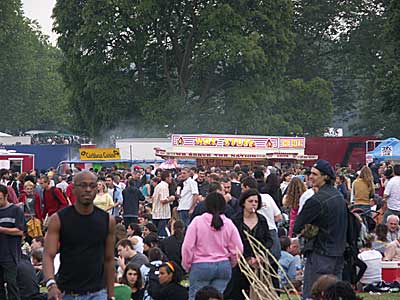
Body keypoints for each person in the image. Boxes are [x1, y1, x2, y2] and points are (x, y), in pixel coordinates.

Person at [43, 171, 116, 300]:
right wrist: (51, 283)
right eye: (83, 185)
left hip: (98, 293)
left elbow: (109, 259)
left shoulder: (107, 220)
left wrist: (111, 295)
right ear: (74, 189)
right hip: (68, 292)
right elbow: (48, 255)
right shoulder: (59, 219)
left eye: (92, 186)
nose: (88, 189)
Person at [293, 160, 348, 300]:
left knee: (314, 294)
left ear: (325, 176)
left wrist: (310, 229)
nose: (310, 176)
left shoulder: (316, 200)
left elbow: (297, 226)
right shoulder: (339, 196)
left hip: (321, 254)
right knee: (334, 296)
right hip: (338, 253)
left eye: (314, 174)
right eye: (310, 173)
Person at [182, 192, 243, 300]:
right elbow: (238, 248)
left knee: (196, 296)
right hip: (223, 265)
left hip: (200, 265)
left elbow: (187, 246)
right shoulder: (228, 223)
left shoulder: (197, 221)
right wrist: (232, 263)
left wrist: (187, 264)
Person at [224, 189, 273, 300]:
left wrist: (260, 255)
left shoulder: (262, 220)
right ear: (243, 203)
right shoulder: (236, 220)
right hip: (240, 262)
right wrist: (246, 258)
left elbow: (269, 240)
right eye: (250, 201)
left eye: (256, 201)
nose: (254, 204)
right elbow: (231, 242)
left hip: (258, 261)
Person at [0, 184, 25, 300]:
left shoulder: (15, 210)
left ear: (6, 196)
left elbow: (20, 231)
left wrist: (2, 229)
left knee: (12, 284)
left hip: (10, 255)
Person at [152, 171, 174, 237]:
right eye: (170, 176)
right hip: (162, 215)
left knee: (157, 234)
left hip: (156, 213)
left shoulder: (158, 186)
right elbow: (163, 200)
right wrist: (171, 198)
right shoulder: (164, 187)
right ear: (166, 178)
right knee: (162, 235)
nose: (171, 178)